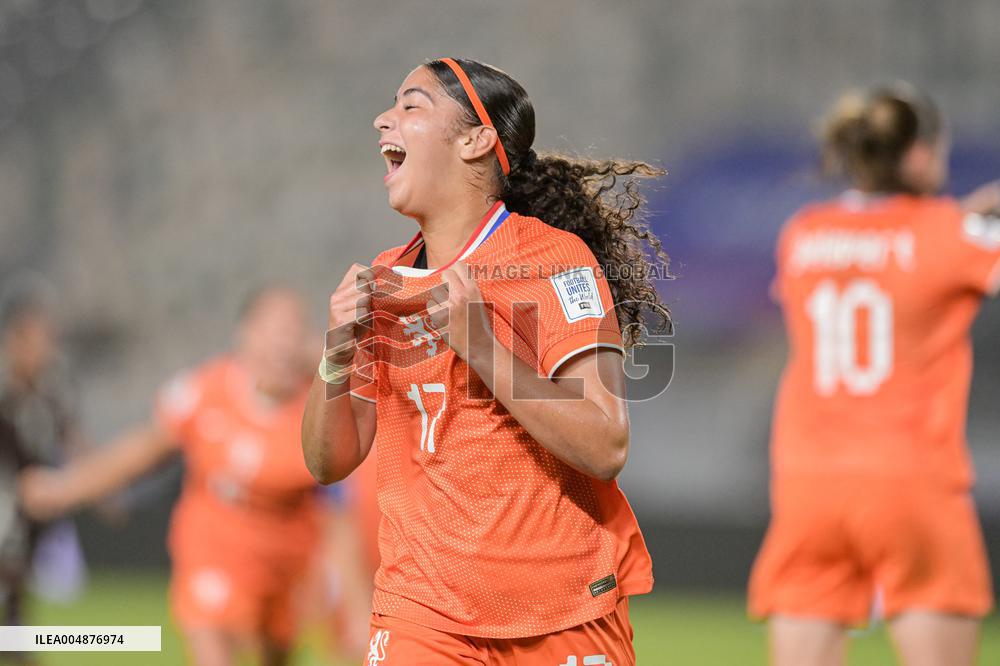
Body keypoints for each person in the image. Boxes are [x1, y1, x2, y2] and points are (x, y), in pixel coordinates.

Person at [301, 57, 671, 665]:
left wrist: (481, 346)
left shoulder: (556, 262)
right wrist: (335, 351)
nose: (381, 120)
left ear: (476, 141)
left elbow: (605, 446)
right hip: (421, 613)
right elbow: (328, 460)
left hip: (562, 613)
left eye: (410, 105)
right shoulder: (386, 278)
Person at [749, 83, 1000, 666]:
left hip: (807, 481)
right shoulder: (950, 232)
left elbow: (880, 247)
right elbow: (929, 247)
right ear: (916, 155)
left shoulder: (804, 233)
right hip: (910, 478)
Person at [20, 287, 324, 666]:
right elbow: (141, 453)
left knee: (276, 655)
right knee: (213, 648)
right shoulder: (204, 392)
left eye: (294, 330)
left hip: (287, 556)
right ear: (245, 334)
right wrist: (65, 488)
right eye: (274, 328)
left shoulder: (324, 406)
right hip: (215, 546)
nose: (284, 341)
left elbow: (350, 492)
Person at [0, 277, 88, 658]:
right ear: (16, 339)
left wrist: (99, 484)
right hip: (7, 509)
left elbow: (71, 436)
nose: (48, 350)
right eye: (40, 339)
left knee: (16, 594)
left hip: (27, 513)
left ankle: (20, 649)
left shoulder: (50, 390)